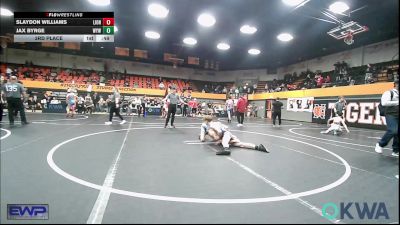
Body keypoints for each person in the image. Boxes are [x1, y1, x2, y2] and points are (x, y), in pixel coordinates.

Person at [199, 116, 269, 155]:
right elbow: (226, 128)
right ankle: (258, 147)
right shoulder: (216, 123)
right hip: (227, 134)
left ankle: (226, 149)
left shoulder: (211, 125)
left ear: (206, 121)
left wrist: (218, 138)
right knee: (240, 144)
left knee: (225, 141)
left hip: (225, 134)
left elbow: (221, 132)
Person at [375, 79, 399, 157]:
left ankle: (395, 151)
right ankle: (380, 144)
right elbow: (384, 103)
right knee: (393, 130)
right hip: (391, 114)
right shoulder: (389, 92)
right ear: (396, 84)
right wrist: (397, 102)